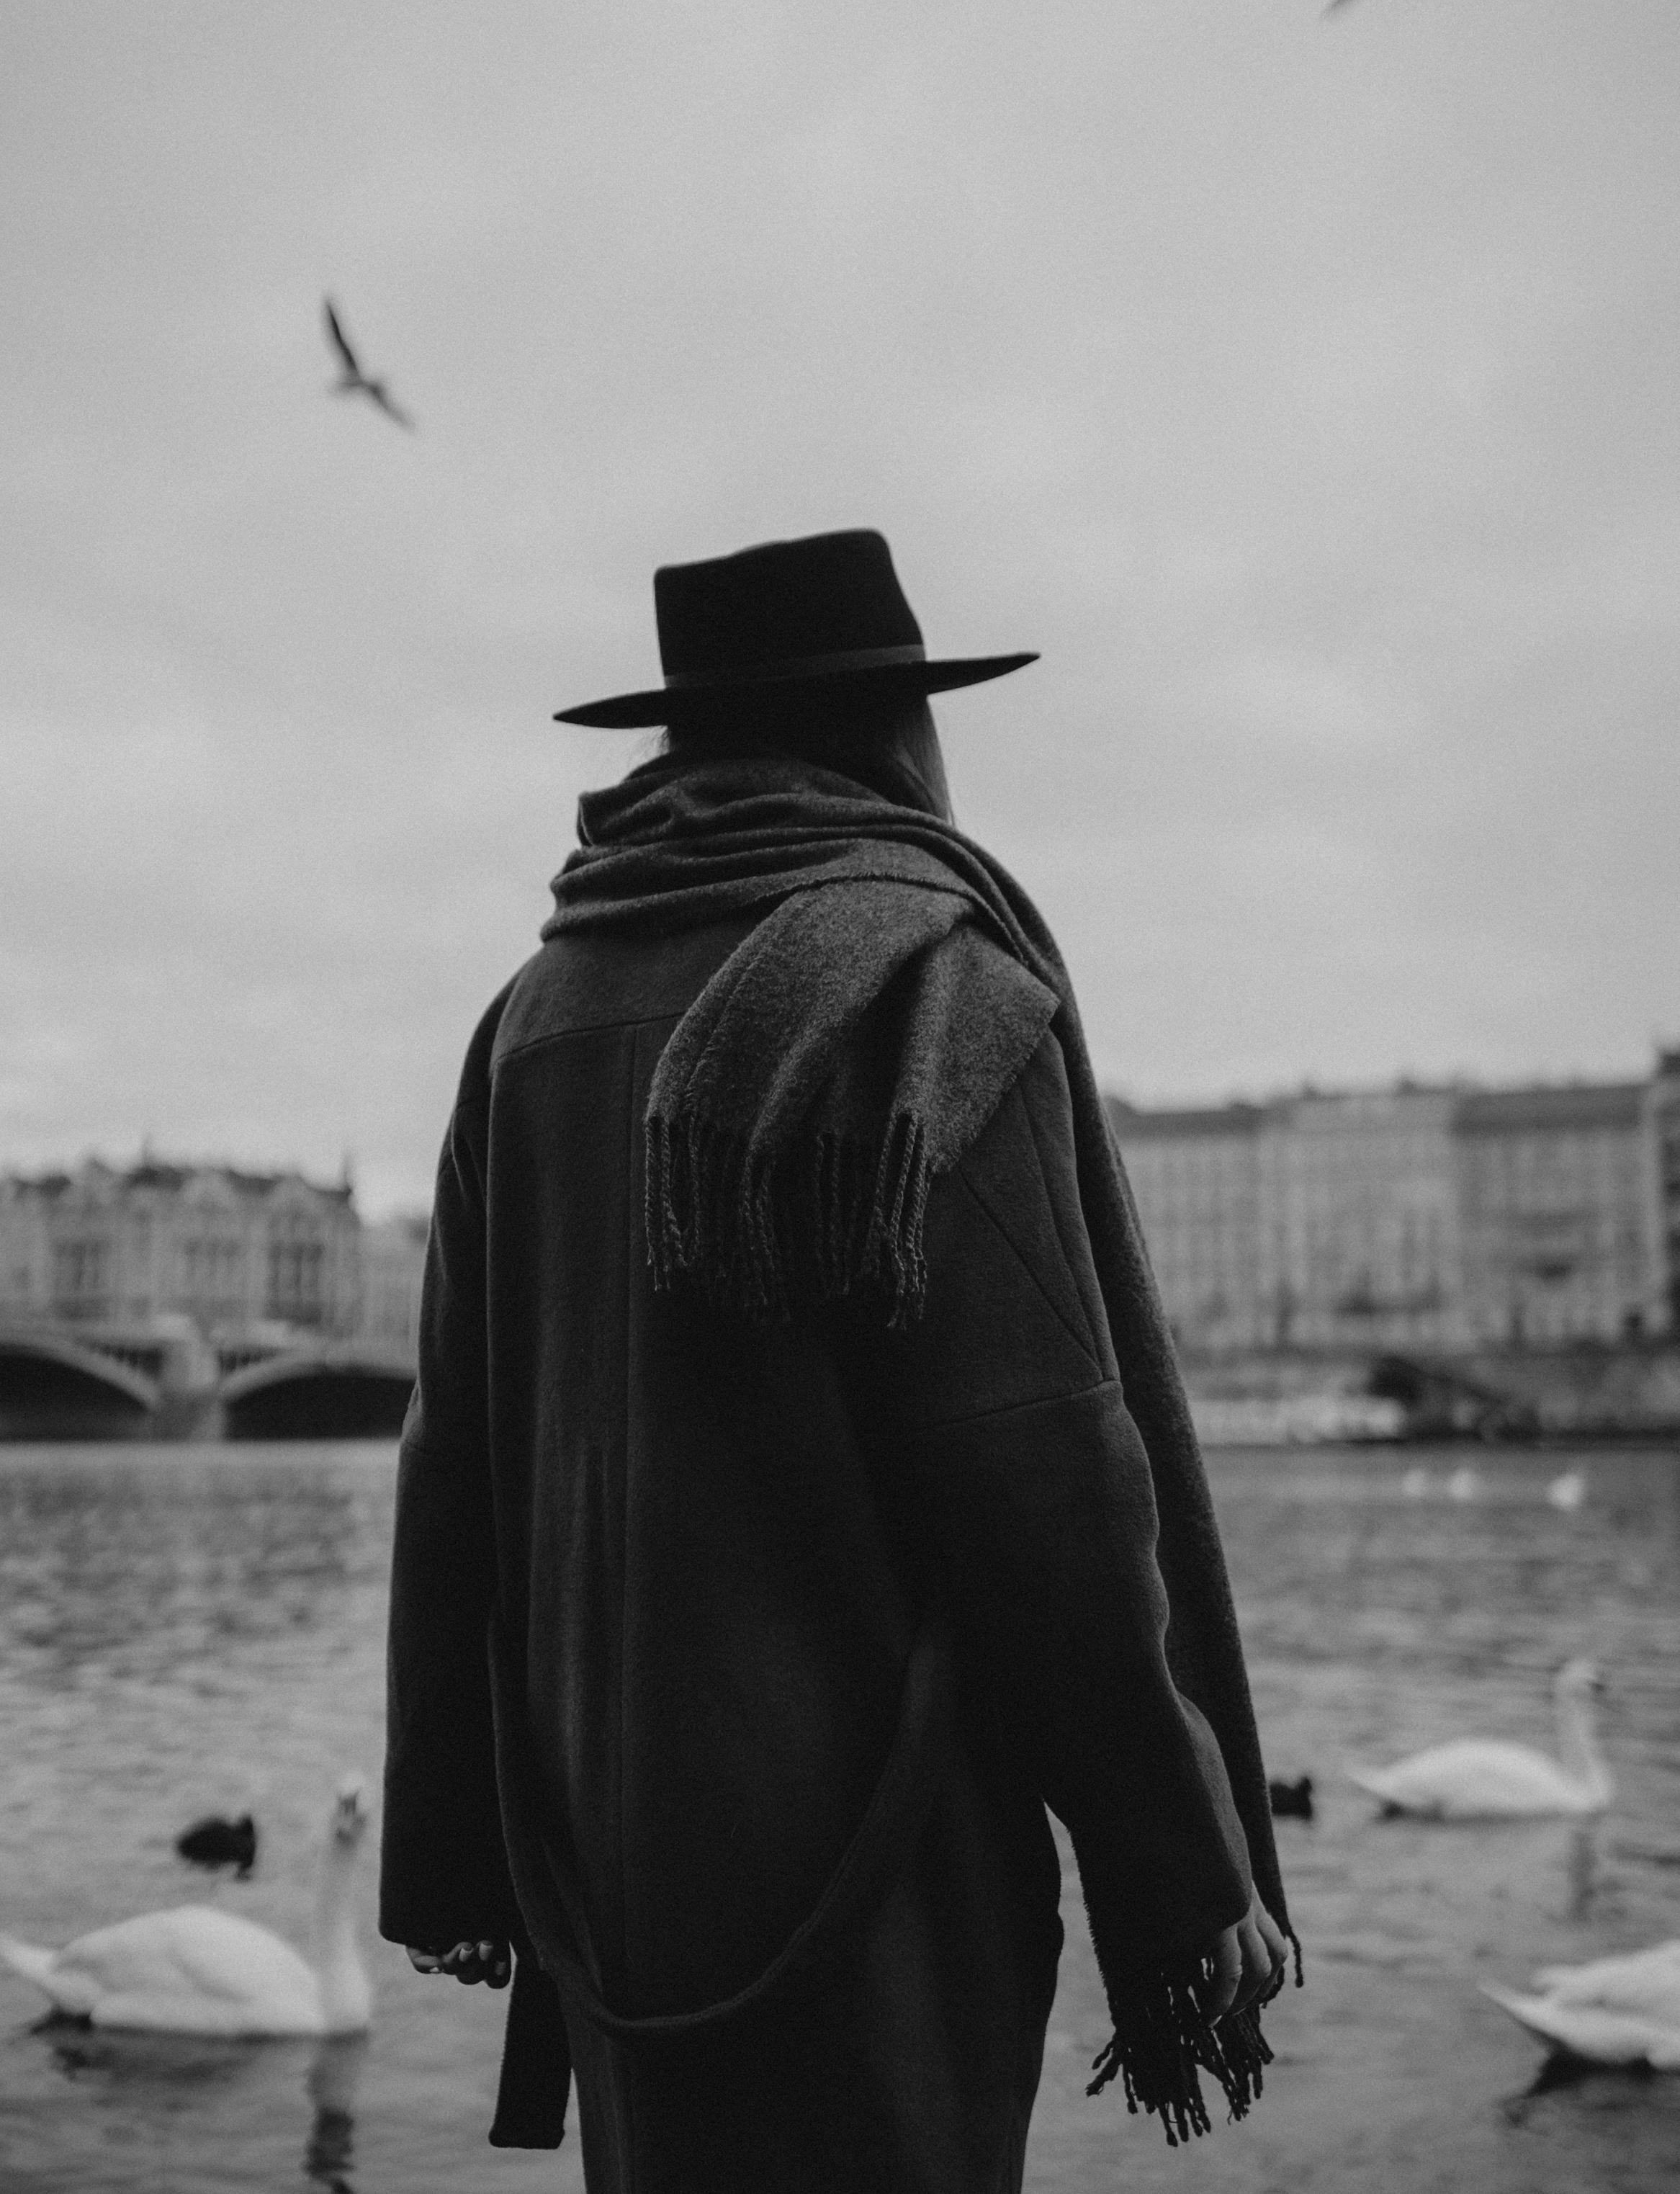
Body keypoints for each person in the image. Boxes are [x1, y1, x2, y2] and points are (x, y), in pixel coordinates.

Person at [379, 529, 1295, 2193]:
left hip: (614, 1871)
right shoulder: (937, 992)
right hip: (874, 1866)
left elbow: (456, 1470)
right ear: (895, 735)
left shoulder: (526, 1020)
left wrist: (451, 1850)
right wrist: (1181, 1863)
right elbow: (1047, 1480)